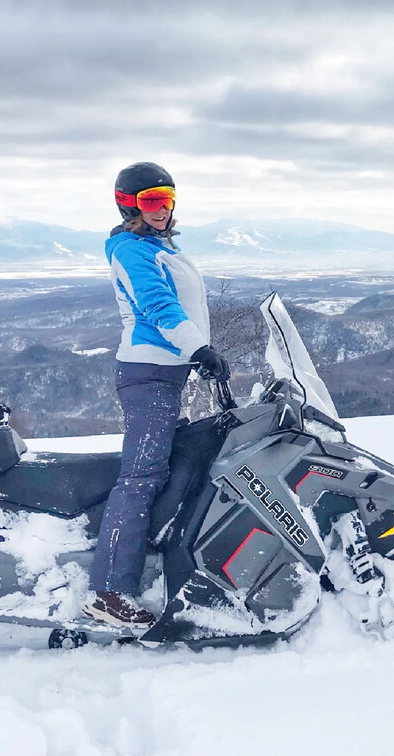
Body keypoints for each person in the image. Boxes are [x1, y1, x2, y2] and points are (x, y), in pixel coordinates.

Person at [82, 162, 230, 629]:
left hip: (169, 372)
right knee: (141, 476)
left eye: (167, 198)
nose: (162, 209)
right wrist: (199, 348)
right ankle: (110, 591)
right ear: (128, 204)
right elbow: (159, 306)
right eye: (150, 200)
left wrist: (196, 356)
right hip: (148, 373)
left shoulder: (157, 245)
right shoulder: (130, 249)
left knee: (172, 466)